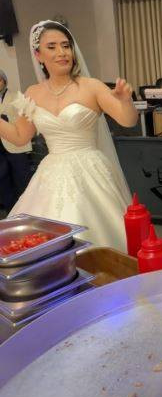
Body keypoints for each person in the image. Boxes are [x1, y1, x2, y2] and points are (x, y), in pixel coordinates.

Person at [0, 20, 138, 251]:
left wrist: (125, 101)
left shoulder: (91, 87)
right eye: (52, 47)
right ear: (38, 55)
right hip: (51, 172)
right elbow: (19, 136)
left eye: (66, 45)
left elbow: (128, 120)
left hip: (90, 169)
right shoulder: (33, 93)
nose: (62, 52)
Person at [0, 69, 32, 212]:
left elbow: (26, 119)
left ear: (4, 81)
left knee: (21, 179)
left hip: (15, 144)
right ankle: (11, 211)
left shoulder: (16, 97)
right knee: (3, 180)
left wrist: (6, 120)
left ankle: (27, 210)